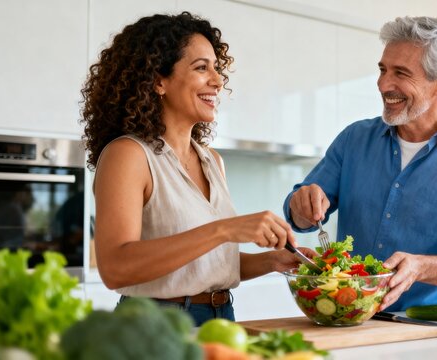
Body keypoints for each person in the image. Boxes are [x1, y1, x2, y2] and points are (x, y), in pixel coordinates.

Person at [82, 12, 312, 325]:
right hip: (155, 325)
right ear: (158, 81)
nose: (217, 81)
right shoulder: (128, 155)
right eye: (201, 68)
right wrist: (225, 229)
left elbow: (206, 265)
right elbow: (115, 268)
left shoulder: (211, 160)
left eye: (216, 68)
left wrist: (274, 261)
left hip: (220, 316)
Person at [283, 16, 437, 311]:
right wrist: (301, 206)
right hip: (347, 316)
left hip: (425, 326)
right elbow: (299, 215)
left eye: (401, 73)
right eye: (382, 69)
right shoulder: (354, 139)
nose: (383, 84)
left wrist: (420, 267)